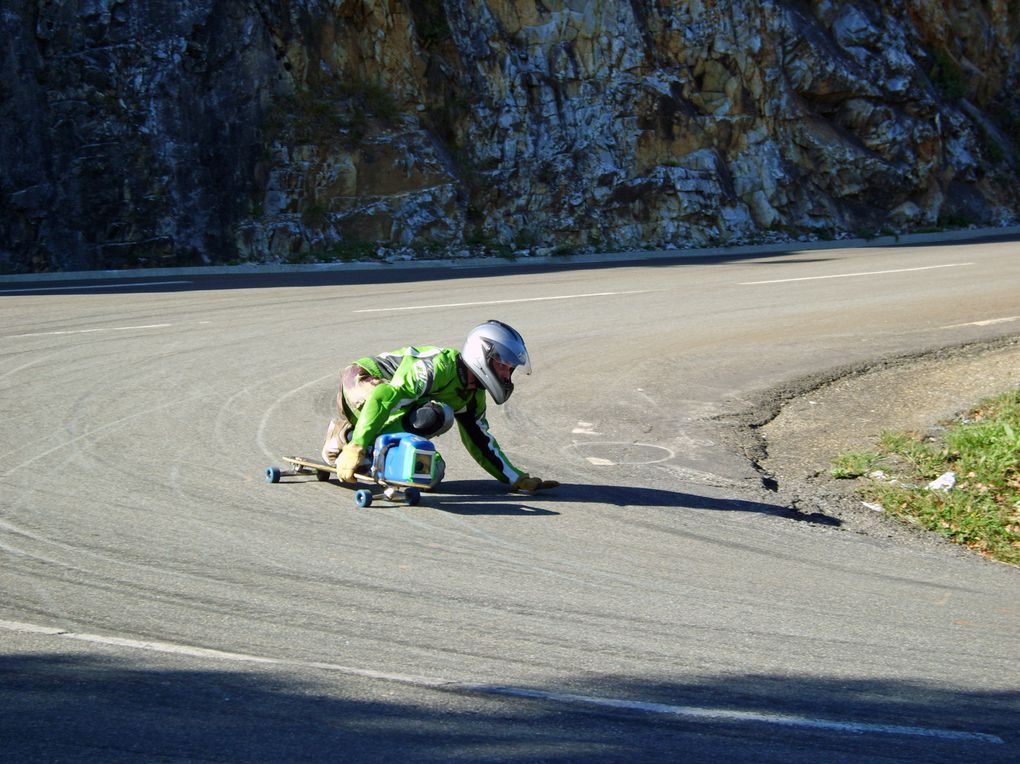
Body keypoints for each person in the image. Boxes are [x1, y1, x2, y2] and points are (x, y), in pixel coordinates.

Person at [322, 320, 559, 493]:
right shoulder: (438, 366)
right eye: (504, 366)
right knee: (437, 414)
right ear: (483, 356)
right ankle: (345, 437)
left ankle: (374, 453)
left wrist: (515, 479)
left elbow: (480, 441)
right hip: (362, 385)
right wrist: (357, 445)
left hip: (384, 405)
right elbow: (386, 397)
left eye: (510, 370)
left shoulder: (473, 394)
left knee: (432, 472)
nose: (507, 376)